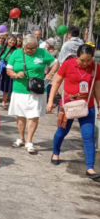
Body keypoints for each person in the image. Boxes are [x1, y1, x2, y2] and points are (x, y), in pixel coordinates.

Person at [48, 44, 100, 179]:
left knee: (88, 137)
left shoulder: (96, 67)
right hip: (67, 105)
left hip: (87, 106)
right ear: (77, 55)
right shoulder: (67, 64)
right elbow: (57, 83)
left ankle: (90, 168)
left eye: (88, 60)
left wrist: (99, 106)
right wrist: (50, 101)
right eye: (82, 60)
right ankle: (55, 153)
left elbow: (97, 89)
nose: (85, 63)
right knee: (62, 131)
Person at [7, 34, 57, 153]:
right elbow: (9, 69)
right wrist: (15, 75)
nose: (31, 51)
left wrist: (50, 73)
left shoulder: (42, 52)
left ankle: (29, 141)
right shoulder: (16, 53)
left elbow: (56, 63)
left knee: (34, 115)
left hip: (37, 90)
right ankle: (21, 138)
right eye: (29, 48)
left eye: (34, 48)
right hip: (20, 89)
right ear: (23, 46)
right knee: (20, 114)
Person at [0, 36, 17, 108]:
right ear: (7, 40)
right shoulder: (1, 46)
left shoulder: (15, 50)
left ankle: (4, 102)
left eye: (14, 40)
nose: (12, 42)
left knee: (7, 85)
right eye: (11, 40)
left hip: (9, 68)